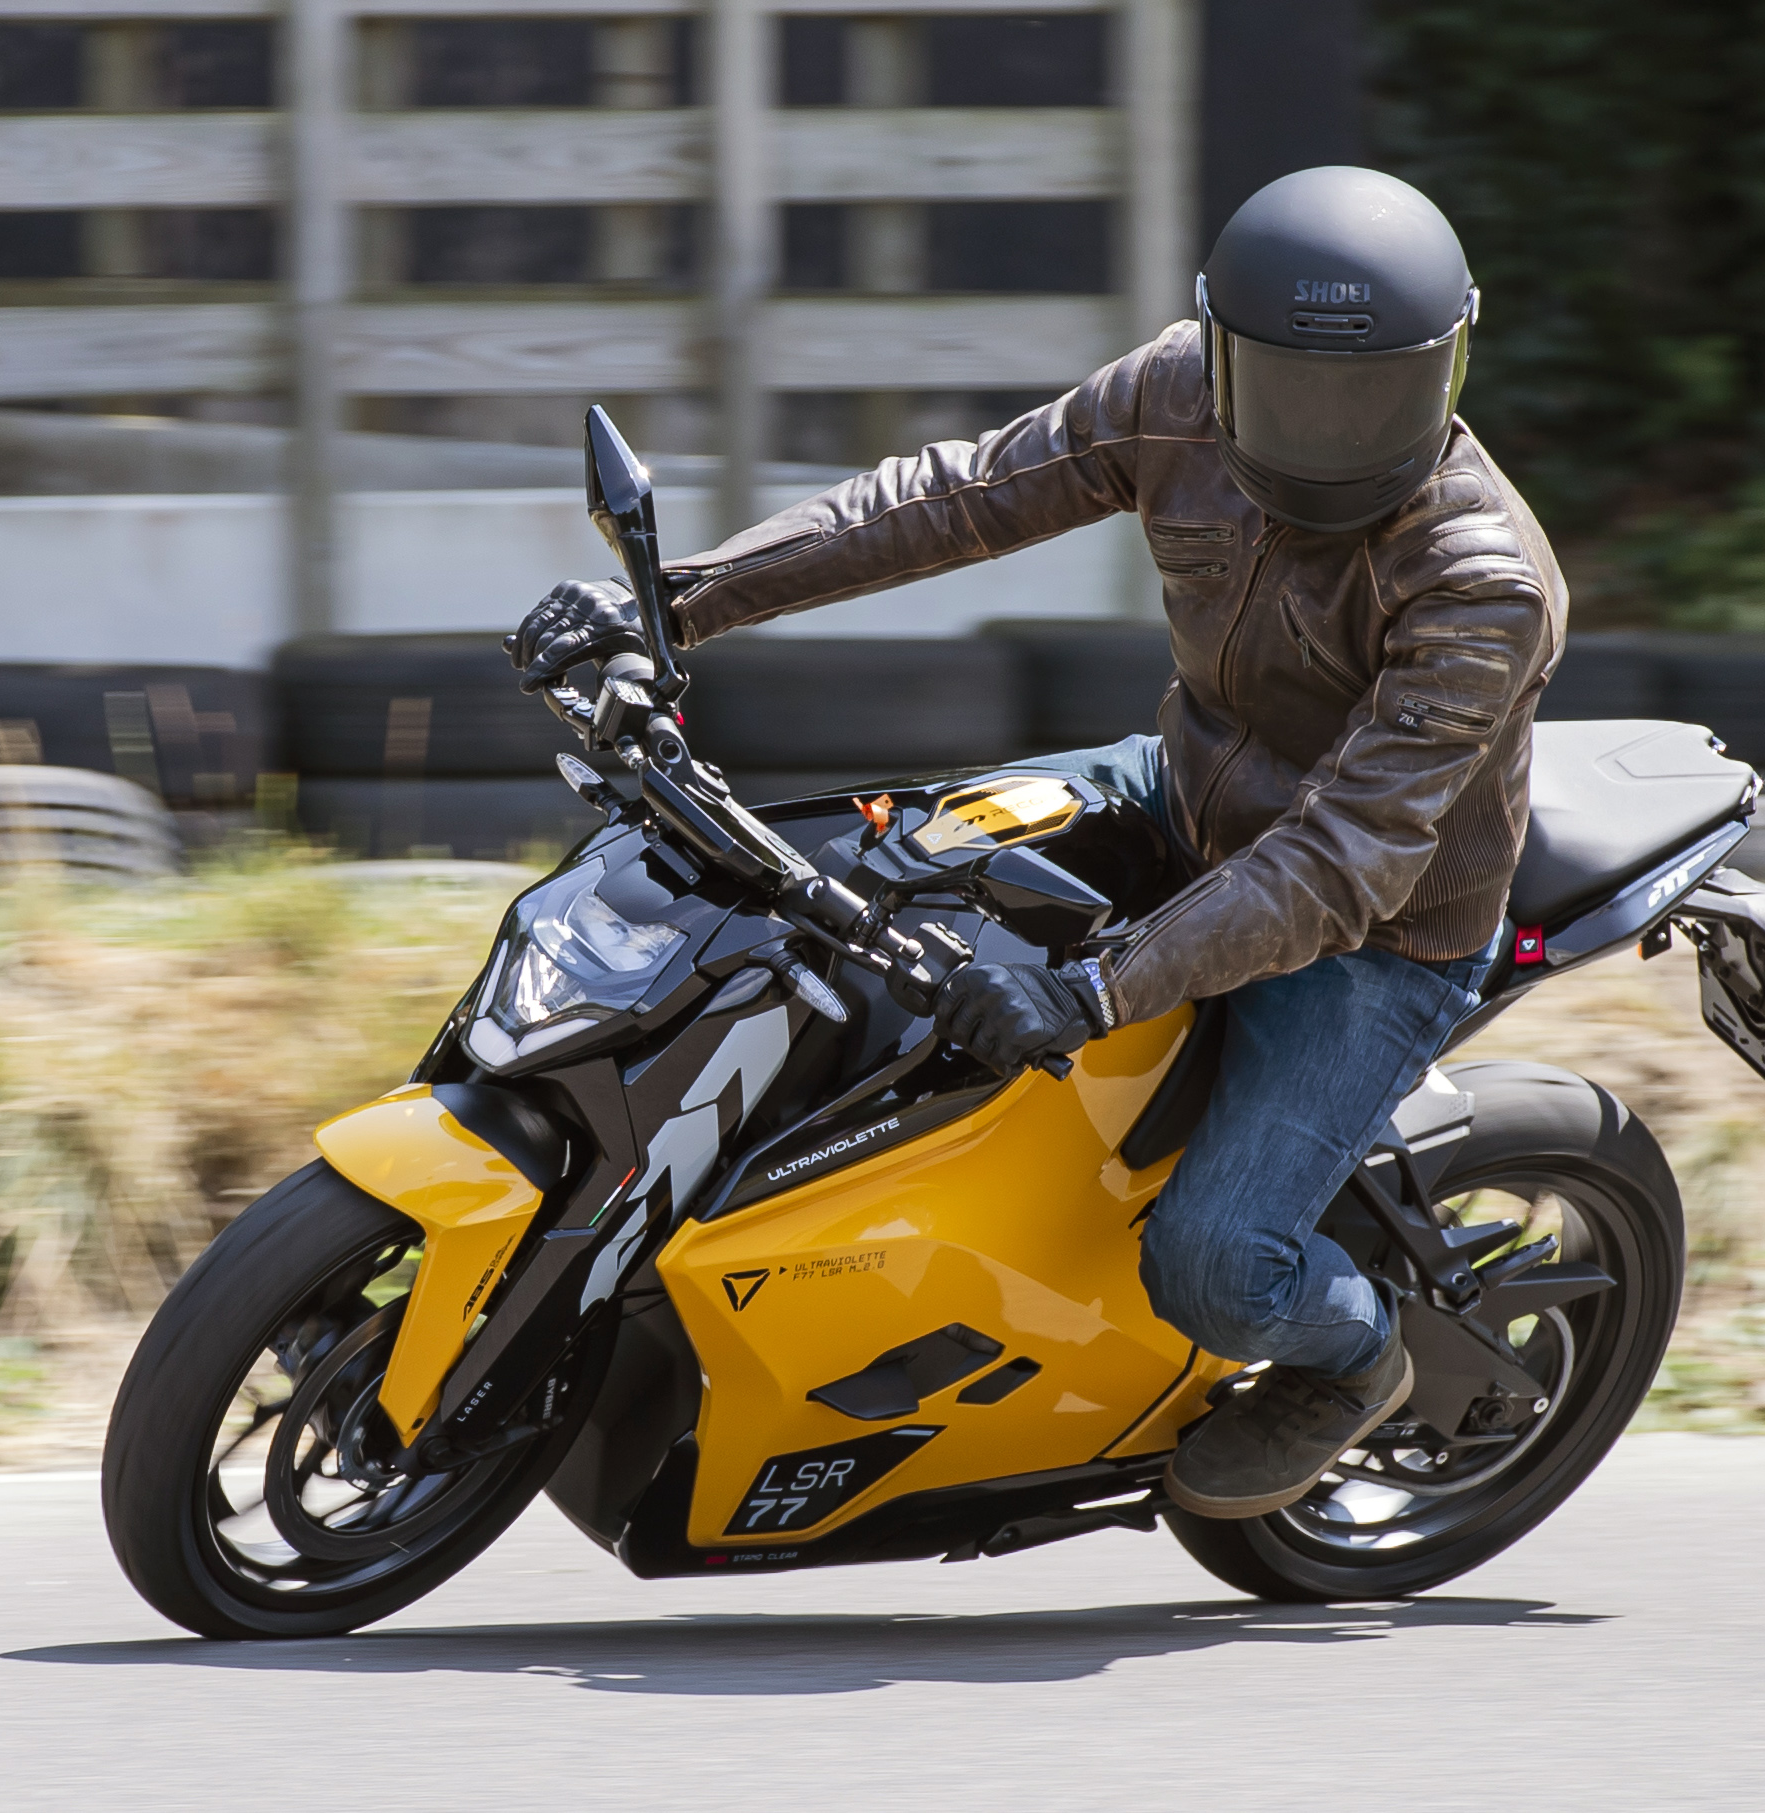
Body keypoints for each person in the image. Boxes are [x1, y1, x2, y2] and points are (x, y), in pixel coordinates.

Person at [507, 165, 1568, 1521]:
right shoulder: (1174, 398)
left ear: (1449, 371)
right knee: (849, 894)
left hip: (1379, 930)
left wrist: (1092, 988)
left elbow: (1335, 866)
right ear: (1222, 354)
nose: (1331, 435)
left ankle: (1355, 1356)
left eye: (1376, 396)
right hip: (1177, 795)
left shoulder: (1479, 577)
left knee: (1216, 1263)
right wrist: (671, 604)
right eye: (1291, 388)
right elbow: (949, 497)